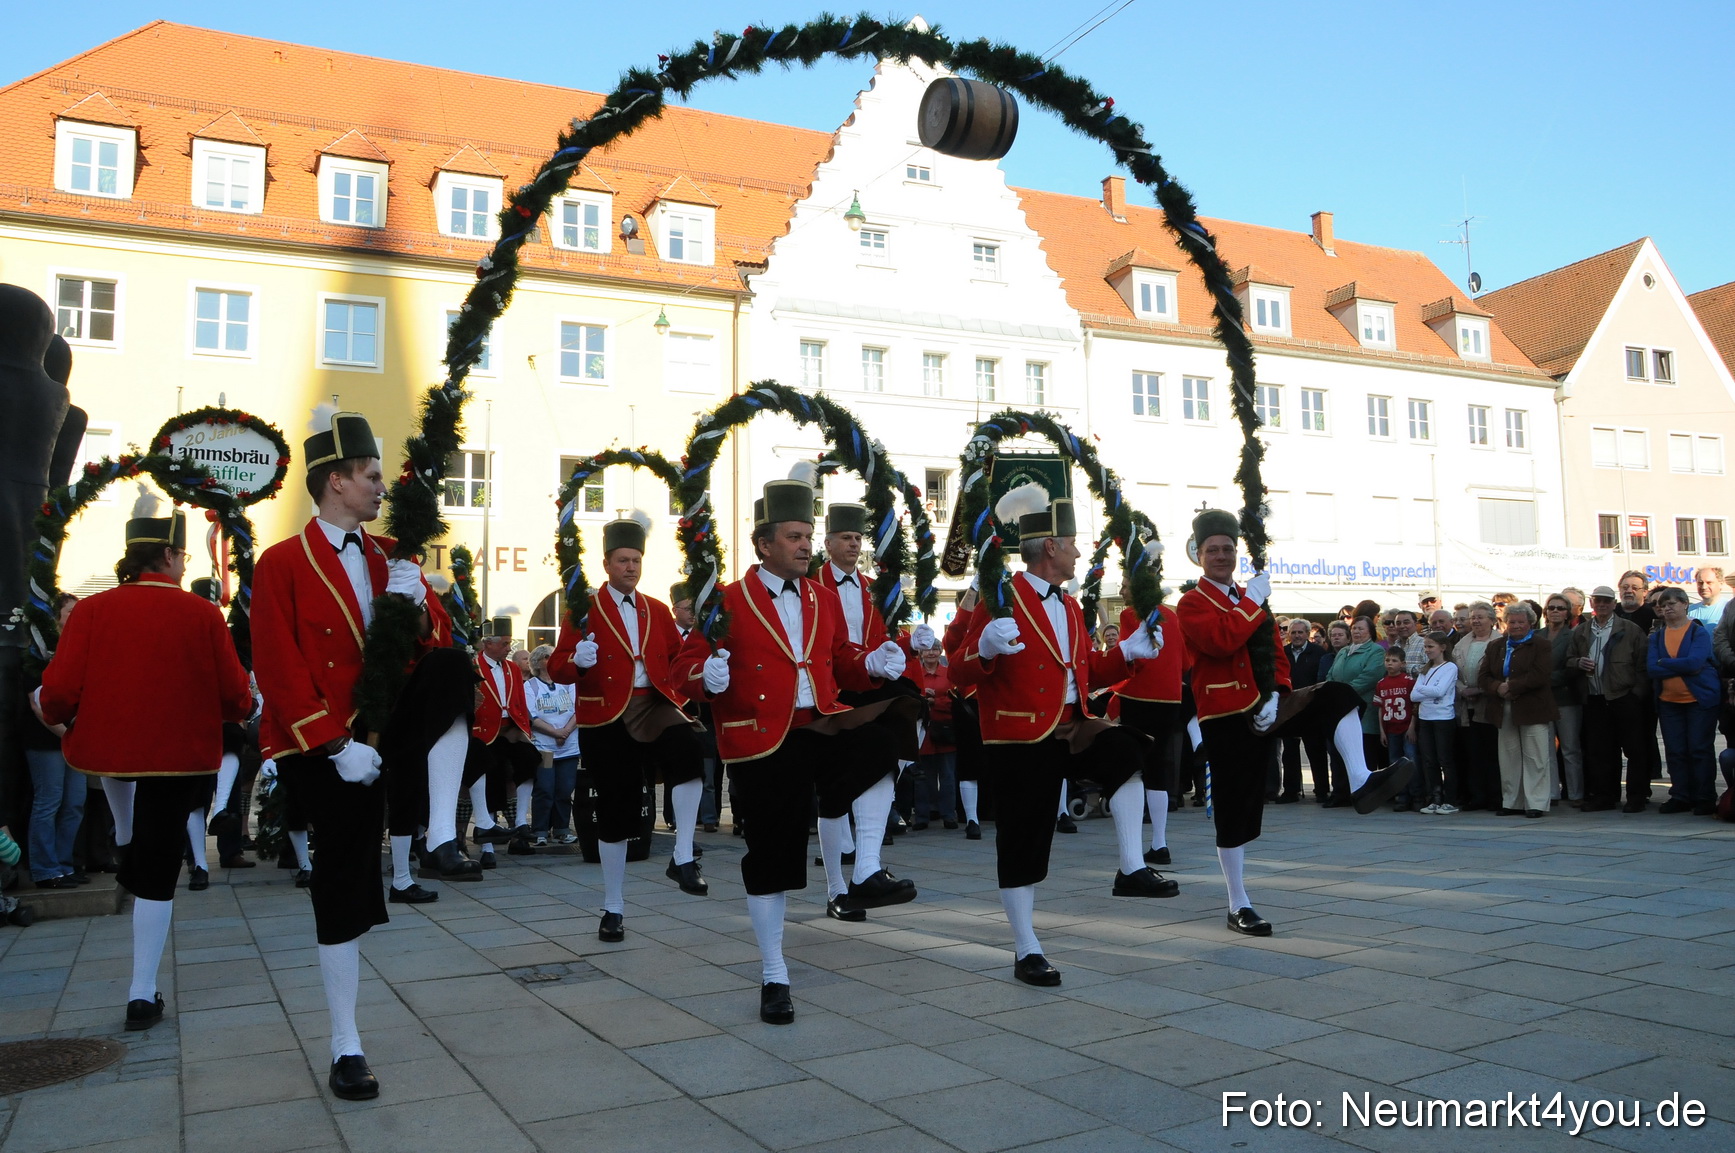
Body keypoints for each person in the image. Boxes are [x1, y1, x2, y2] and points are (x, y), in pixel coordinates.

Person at [251, 408, 453, 1101]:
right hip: (321, 743)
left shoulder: (390, 553)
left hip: (383, 728)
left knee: (453, 669)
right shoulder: (281, 562)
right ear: (335, 480)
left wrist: (417, 609)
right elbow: (277, 665)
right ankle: (346, 1044)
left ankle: (442, 826)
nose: (379, 487)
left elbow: (433, 640)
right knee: (343, 884)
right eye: (369, 475)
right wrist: (335, 744)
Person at [670, 477, 909, 1022]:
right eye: (794, 537)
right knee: (772, 858)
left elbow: (841, 659)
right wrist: (704, 676)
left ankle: (866, 869)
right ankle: (774, 973)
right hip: (760, 738)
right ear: (764, 543)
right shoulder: (728, 600)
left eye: (807, 535)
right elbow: (683, 668)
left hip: (818, 724)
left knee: (884, 737)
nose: (805, 546)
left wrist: (872, 664)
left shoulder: (824, 598)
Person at [34, 491, 252, 1031]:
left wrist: (51, 709)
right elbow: (234, 697)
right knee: (158, 873)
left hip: (110, 748)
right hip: (177, 754)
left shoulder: (91, 611)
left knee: (117, 768)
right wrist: (241, 706)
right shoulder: (202, 613)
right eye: (183, 556)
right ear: (170, 556)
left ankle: (127, 836)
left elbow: (58, 692)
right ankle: (140, 990)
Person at [950, 485, 1169, 984]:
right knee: (1023, 841)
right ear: (1050, 546)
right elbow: (960, 670)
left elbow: (1084, 669)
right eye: (1072, 543)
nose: (1077, 553)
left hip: (1071, 725)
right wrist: (984, 649)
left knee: (1128, 750)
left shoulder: (1070, 606)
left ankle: (1131, 867)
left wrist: (1127, 653)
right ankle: (1026, 948)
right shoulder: (1002, 596)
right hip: (1018, 735)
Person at [1179, 509, 1407, 938]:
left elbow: (1275, 652)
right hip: (1224, 712)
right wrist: (1253, 601)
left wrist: (1278, 690)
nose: (1222, 556)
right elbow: (1220, 640)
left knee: (1336, 694)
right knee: (1235, 806)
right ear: (1200, 556)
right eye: (1213, 550)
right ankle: (1238, 902)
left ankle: (1361, 780)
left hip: (1266, 702)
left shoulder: (1250, 595)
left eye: (1228, 548)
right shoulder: (1192, 602)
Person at [552, 513, 710, 939]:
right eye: (623, 560)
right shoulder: (583, 610)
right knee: (616, 812)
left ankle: (682, 856)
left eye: (636, 560)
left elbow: (679, 659)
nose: (631, 567)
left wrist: (706, 668)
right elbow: (558, 666)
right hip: (606, 714)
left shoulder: (656, 610)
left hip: (653, 703)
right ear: (607, 564)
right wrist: (575, 661)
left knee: (690, 752)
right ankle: (613, 906)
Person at [810, 496, 929, 918]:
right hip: (829, 693)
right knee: (834, 792)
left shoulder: (871, 587)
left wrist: (908, 646)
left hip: (865, 687)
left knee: (903, 721)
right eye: (845, 537)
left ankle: (866, 867)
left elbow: (880, 642)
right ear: (827, 543)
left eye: (858, 538)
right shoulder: (810, 585)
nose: (853, 544)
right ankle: (837, 890)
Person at [1114, 598, 1189, 858]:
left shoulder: (1130, 614)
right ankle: (1159, 842)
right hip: (1170, 699)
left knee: (1132, 770)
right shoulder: (1172, 615)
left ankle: (1132, 846)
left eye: (1125, 584)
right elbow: (1186, 662)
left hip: (1138, 697)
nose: (1122, 590)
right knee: (1158, 768)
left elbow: (1130, 657)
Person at [1567, 586, 1651, 813]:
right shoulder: (1581, 631)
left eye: (1607, 601)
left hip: (1624, 696)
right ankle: (1604, 796)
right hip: (1595, 698)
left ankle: (1636, 797)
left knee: (1634, 750)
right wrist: (1577, 663)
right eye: (1598, 601)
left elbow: (1643, 665)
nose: (1602, 605)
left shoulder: (1630, 629)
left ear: (1614, 604)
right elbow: (1569, 659)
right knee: (1599, 751)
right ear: (1591, 604)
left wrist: (1636, 694)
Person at [22, 593, 85, 889]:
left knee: (74, 803)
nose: (76, 615)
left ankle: (65, 865)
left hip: (73, 739)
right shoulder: (38, 653)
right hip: (46, 741)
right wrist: (69, 735)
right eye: (70, 611)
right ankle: (45, 869)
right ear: (55, 618)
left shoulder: (78, 649)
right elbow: (37, 704)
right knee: (49, 802)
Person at [466, 614, 539, 864]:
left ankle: (520, 822)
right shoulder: (474, 666)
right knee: (491, 773)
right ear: (488, 643)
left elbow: (519, 701)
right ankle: (487, 847)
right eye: (505, 643)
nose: (509, 648)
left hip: (511, 731)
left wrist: (524, 730)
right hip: (484, 734)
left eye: (509, 643)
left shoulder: (513, 669)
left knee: (530, 759)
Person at [1478, 602, 1557, 817]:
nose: (1516, 626)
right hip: (1503, 706)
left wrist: (1511, 687)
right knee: (1508, 756)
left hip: (1533, 707)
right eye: (1512, 622)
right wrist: (1498, 687)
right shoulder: (1496, 646)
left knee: (1535, 757)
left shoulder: (1541, 645)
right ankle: (1512, 802)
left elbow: (1540, 675)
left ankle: (1536, 803)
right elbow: (1483, 676)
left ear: (1530, 623)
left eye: (1521, 622)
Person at [1648, 586, 1721, 815]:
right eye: (1662, 605)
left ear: (1685, 604)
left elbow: (1695, 663)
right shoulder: (1657, 636)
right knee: (1676, 751)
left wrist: (1664, 663)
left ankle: (1705, 797)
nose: (1666, 608)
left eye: (1671, 603)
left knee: (1699, 748)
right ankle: (1680, 796)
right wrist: (1675, 665)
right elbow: (1651, 668)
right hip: (1669, 702)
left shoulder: (1698, 632)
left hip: (1699, 700)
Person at [1322, 616, 1385, 805]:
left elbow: (1370, 677)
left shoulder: (1376, 651)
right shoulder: (1343, 652)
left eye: (1360, 628)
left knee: (1362, 754)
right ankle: (1340, 793)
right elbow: (1331, 675)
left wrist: (1343, 693)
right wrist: (1332, 692)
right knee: (1338, 753)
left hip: (1362, 710)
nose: (1356, 632)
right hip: (1340, 710)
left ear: (1370, 631)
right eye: (1354, 628)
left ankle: (1364, 794)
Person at [523, 644, 579, 846]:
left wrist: (565, 731)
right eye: (546, 657)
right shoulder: (530, 686)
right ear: (537, 663)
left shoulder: (568, 683)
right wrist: (555, 733)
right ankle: (540, 829)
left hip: (569, 748)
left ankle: (562, 829)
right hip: (544, 748)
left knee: (565, 790)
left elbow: (578, 709)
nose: (551, 660)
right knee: (544, 789)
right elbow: (532, 716)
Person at [1453, 602, 1501, 811]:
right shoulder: (1461, 644)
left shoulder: (1500, 641)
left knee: (1492, 753)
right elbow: (1453, 672)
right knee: (1472, 754)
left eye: (1480, 617)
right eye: (1473, 617)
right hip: (1466, 705)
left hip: (1490, 704)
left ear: (1492, 620)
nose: (1476, 621)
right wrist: (1463, 689)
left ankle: (1495, 797)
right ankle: (1476, 796)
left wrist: (1481, 690)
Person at [1278, 617, 1328, 803]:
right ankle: (1291, 791)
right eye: (1294, 632)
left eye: (1300, 632)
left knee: (1315, 749)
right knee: (1289, 751)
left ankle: (1322, 790)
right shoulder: (1282, 653)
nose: (1297, 636)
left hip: (1310, 707)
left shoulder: (1318, 653)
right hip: (1289, 707)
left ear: (1307, 634)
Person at [1410, 631, 1459, 813]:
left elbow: (1440, 691)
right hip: (1426, 717)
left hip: (1443, 718)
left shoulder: (1450, 668)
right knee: (1429, 760)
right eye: (1425, 646)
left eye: (1431, 646)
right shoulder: (1425, 669)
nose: (1427, 650)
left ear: (1442, 647)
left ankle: (1450, 799)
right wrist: (1427, 690)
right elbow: (1413, 695)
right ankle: (1435, 797)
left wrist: (1423, 689)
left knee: (1445, 759)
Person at [1542, 593, 1584, 805]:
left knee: (1570, 748)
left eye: (1560, 608)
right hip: (1542, 699)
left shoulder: (1574, 635)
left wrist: (1544, 679)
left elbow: (1573, 667)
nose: (1555, 611)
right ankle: (1551, 793)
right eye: (1551, 608)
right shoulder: (1537, 635)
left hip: (1566, 698)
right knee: (1546, 750)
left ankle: (1576, 793)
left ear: (1568, 613)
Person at [912, 643, 958, 829]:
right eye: (927, 649)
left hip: (945, 730)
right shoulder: (915, 675)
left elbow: (956, 700)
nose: (931, 653)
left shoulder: (949, 674)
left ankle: (949, 815)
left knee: (947, 775)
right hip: (923, 731)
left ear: (940, 652)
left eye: (935, 649)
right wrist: (922, 699)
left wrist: (935, 701)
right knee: (923, 776)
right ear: (920, 653)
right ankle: (923, 816)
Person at [1374, 648, 1417, 810]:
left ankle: (1417, 795)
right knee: (1395, 763)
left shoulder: (1408, 682)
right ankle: (1401, 796)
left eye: (1394, 661)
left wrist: (1412, 727)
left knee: (1411, 760)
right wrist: (1382, 731)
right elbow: (1380, 708)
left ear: (1403, 664)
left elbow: (1415, 706)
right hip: (1391, 729)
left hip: (1406, 728)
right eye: (1387, 660)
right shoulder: (1381, 683)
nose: (1390, 664)